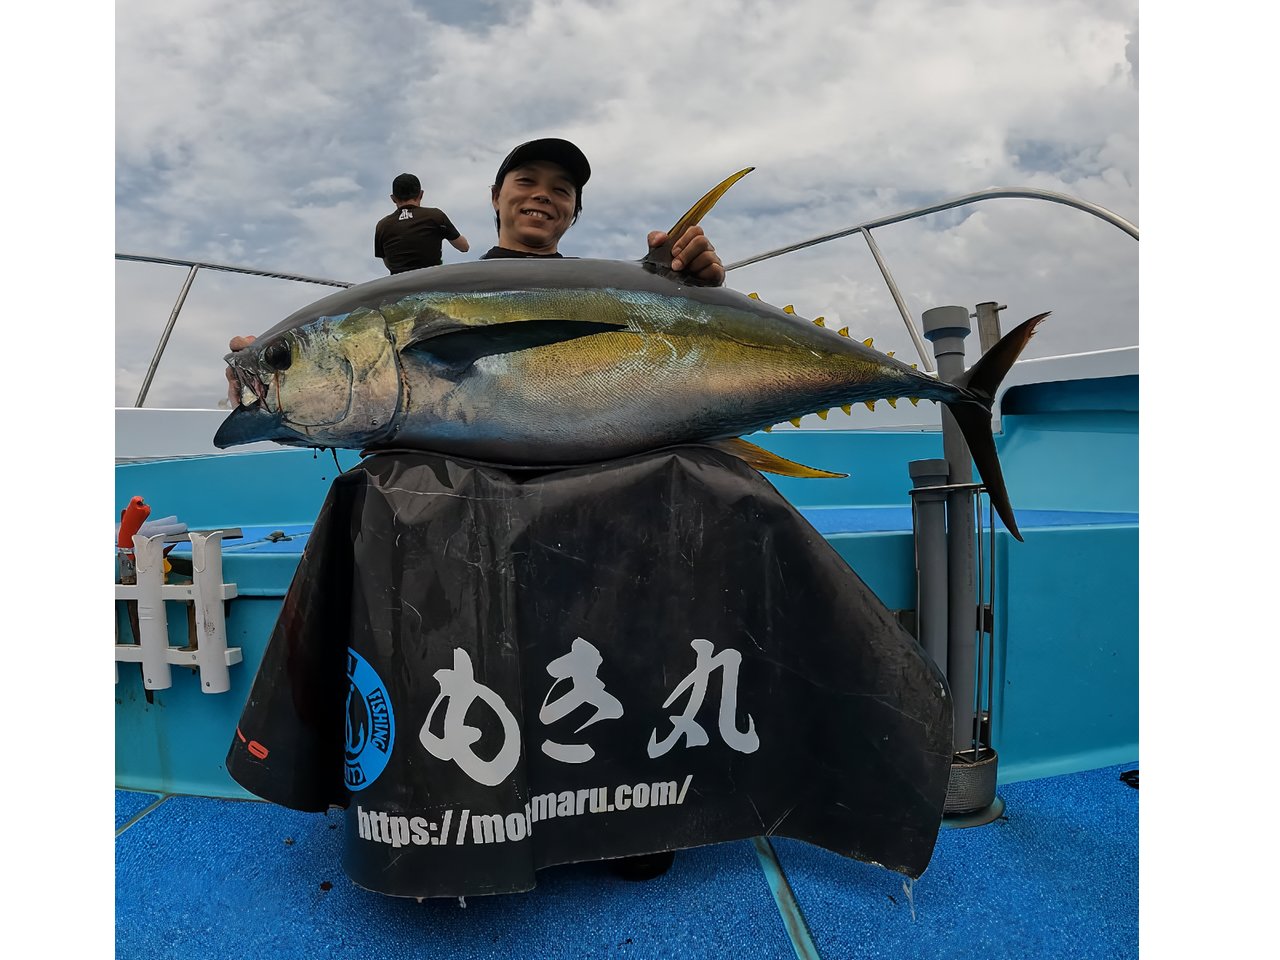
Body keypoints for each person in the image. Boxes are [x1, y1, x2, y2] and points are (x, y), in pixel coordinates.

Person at [482, 137, 724, 285]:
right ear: (496, 196)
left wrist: (688, 285)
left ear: (573, 213)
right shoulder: (450, 285)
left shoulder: (600, 284)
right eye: (526, 181)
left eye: (560, 190)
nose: (543, 195)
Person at [373, 172, 470, 274]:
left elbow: (388, 263)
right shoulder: (436, 216)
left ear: (393, 198)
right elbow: (464, 247)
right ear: (421, 194)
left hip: (399, 287)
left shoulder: (382, 226)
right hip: (430, 283)